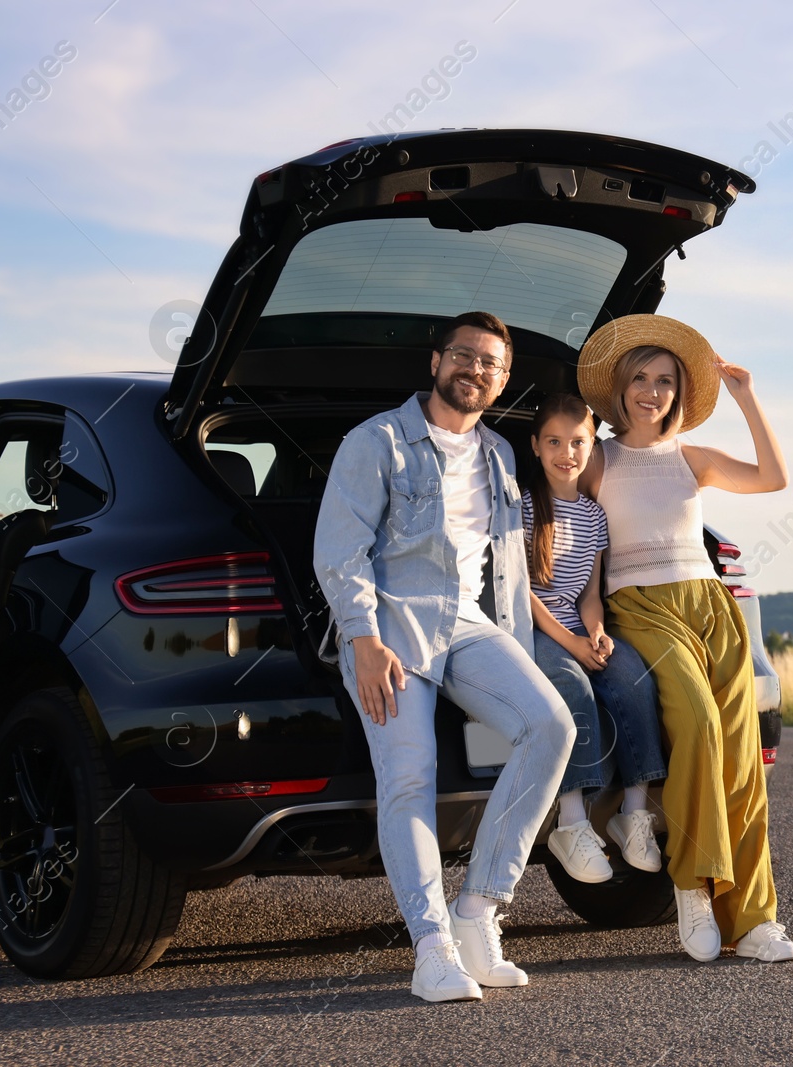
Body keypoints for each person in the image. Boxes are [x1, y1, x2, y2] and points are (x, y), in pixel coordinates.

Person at [314, 311, 574, 1003]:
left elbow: (508, 566)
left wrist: (516, 651)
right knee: (409, 775)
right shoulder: (376, 442)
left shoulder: (497, 454)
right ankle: (430, 947)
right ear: (436, 362)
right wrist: (363, 642)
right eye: (464, 356)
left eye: (490, 363)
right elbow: (338, 552)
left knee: (552, 724)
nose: (475, 370)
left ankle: (478, 910)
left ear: (502, 379)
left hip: (467, 625)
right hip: (392, 628)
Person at [577, 314, 793, 964]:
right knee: (699, 728)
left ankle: (755, 920)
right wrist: (586, 616)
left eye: (666, 380)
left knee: (740, 759)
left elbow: (772, 476)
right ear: (621, 387)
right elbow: (573, 535)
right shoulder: (598, 457)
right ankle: (692, 885)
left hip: (710, 604)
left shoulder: (690, 459)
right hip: (640, 608)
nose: (653, 390)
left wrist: (745, 395)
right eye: (642, 377)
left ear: (679, 393)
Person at [523, 392, 667, 881]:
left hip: (579, 626)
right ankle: (572, 822)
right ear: (537, 448)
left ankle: (633, 811)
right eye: (555, 442)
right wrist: (573, 645)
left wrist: (598, 634)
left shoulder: (594, 515)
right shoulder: (522, 509)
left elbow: (589, 591)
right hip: (538, 628)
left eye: (578, 442)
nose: (567, 453)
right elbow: (523, 594)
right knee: (573, 687)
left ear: (592, 447)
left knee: (634, 679)